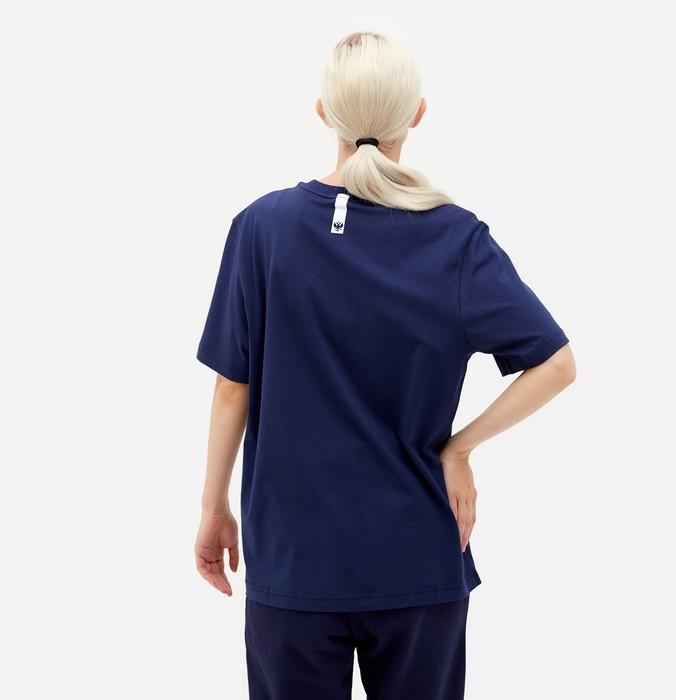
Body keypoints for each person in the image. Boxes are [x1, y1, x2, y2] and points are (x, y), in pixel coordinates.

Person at [194, 30, 576, 700]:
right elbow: (556, 363)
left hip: (294, 561)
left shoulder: (262, 229)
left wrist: (213, 507)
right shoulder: (456, 238)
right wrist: (459, 449)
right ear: (417, 114)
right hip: (417, 559)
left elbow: (233, 388)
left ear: (323, 111)